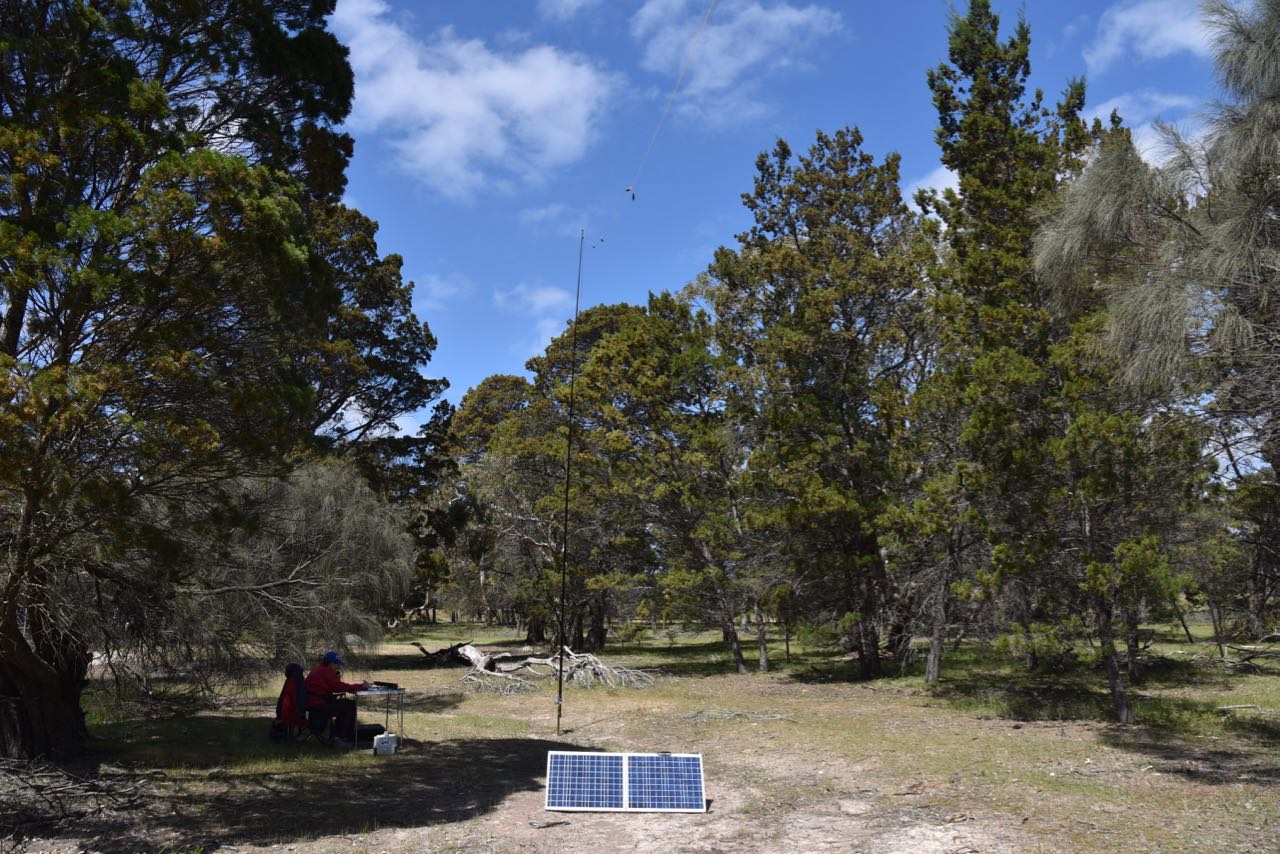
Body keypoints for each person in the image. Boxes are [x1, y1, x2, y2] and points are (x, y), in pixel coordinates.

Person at [304, 651, 370, 747]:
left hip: (312, 703)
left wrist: (336, 678)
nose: (338, 667)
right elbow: (339, 687)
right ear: (331, 663)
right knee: (349, 706)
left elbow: (332, 687)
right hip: (318, 705)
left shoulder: (319, 669)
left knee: (346, 704)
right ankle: (340, 737)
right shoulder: (325, 672)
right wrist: (361, 686)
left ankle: (339, 736)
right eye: (337, 664)